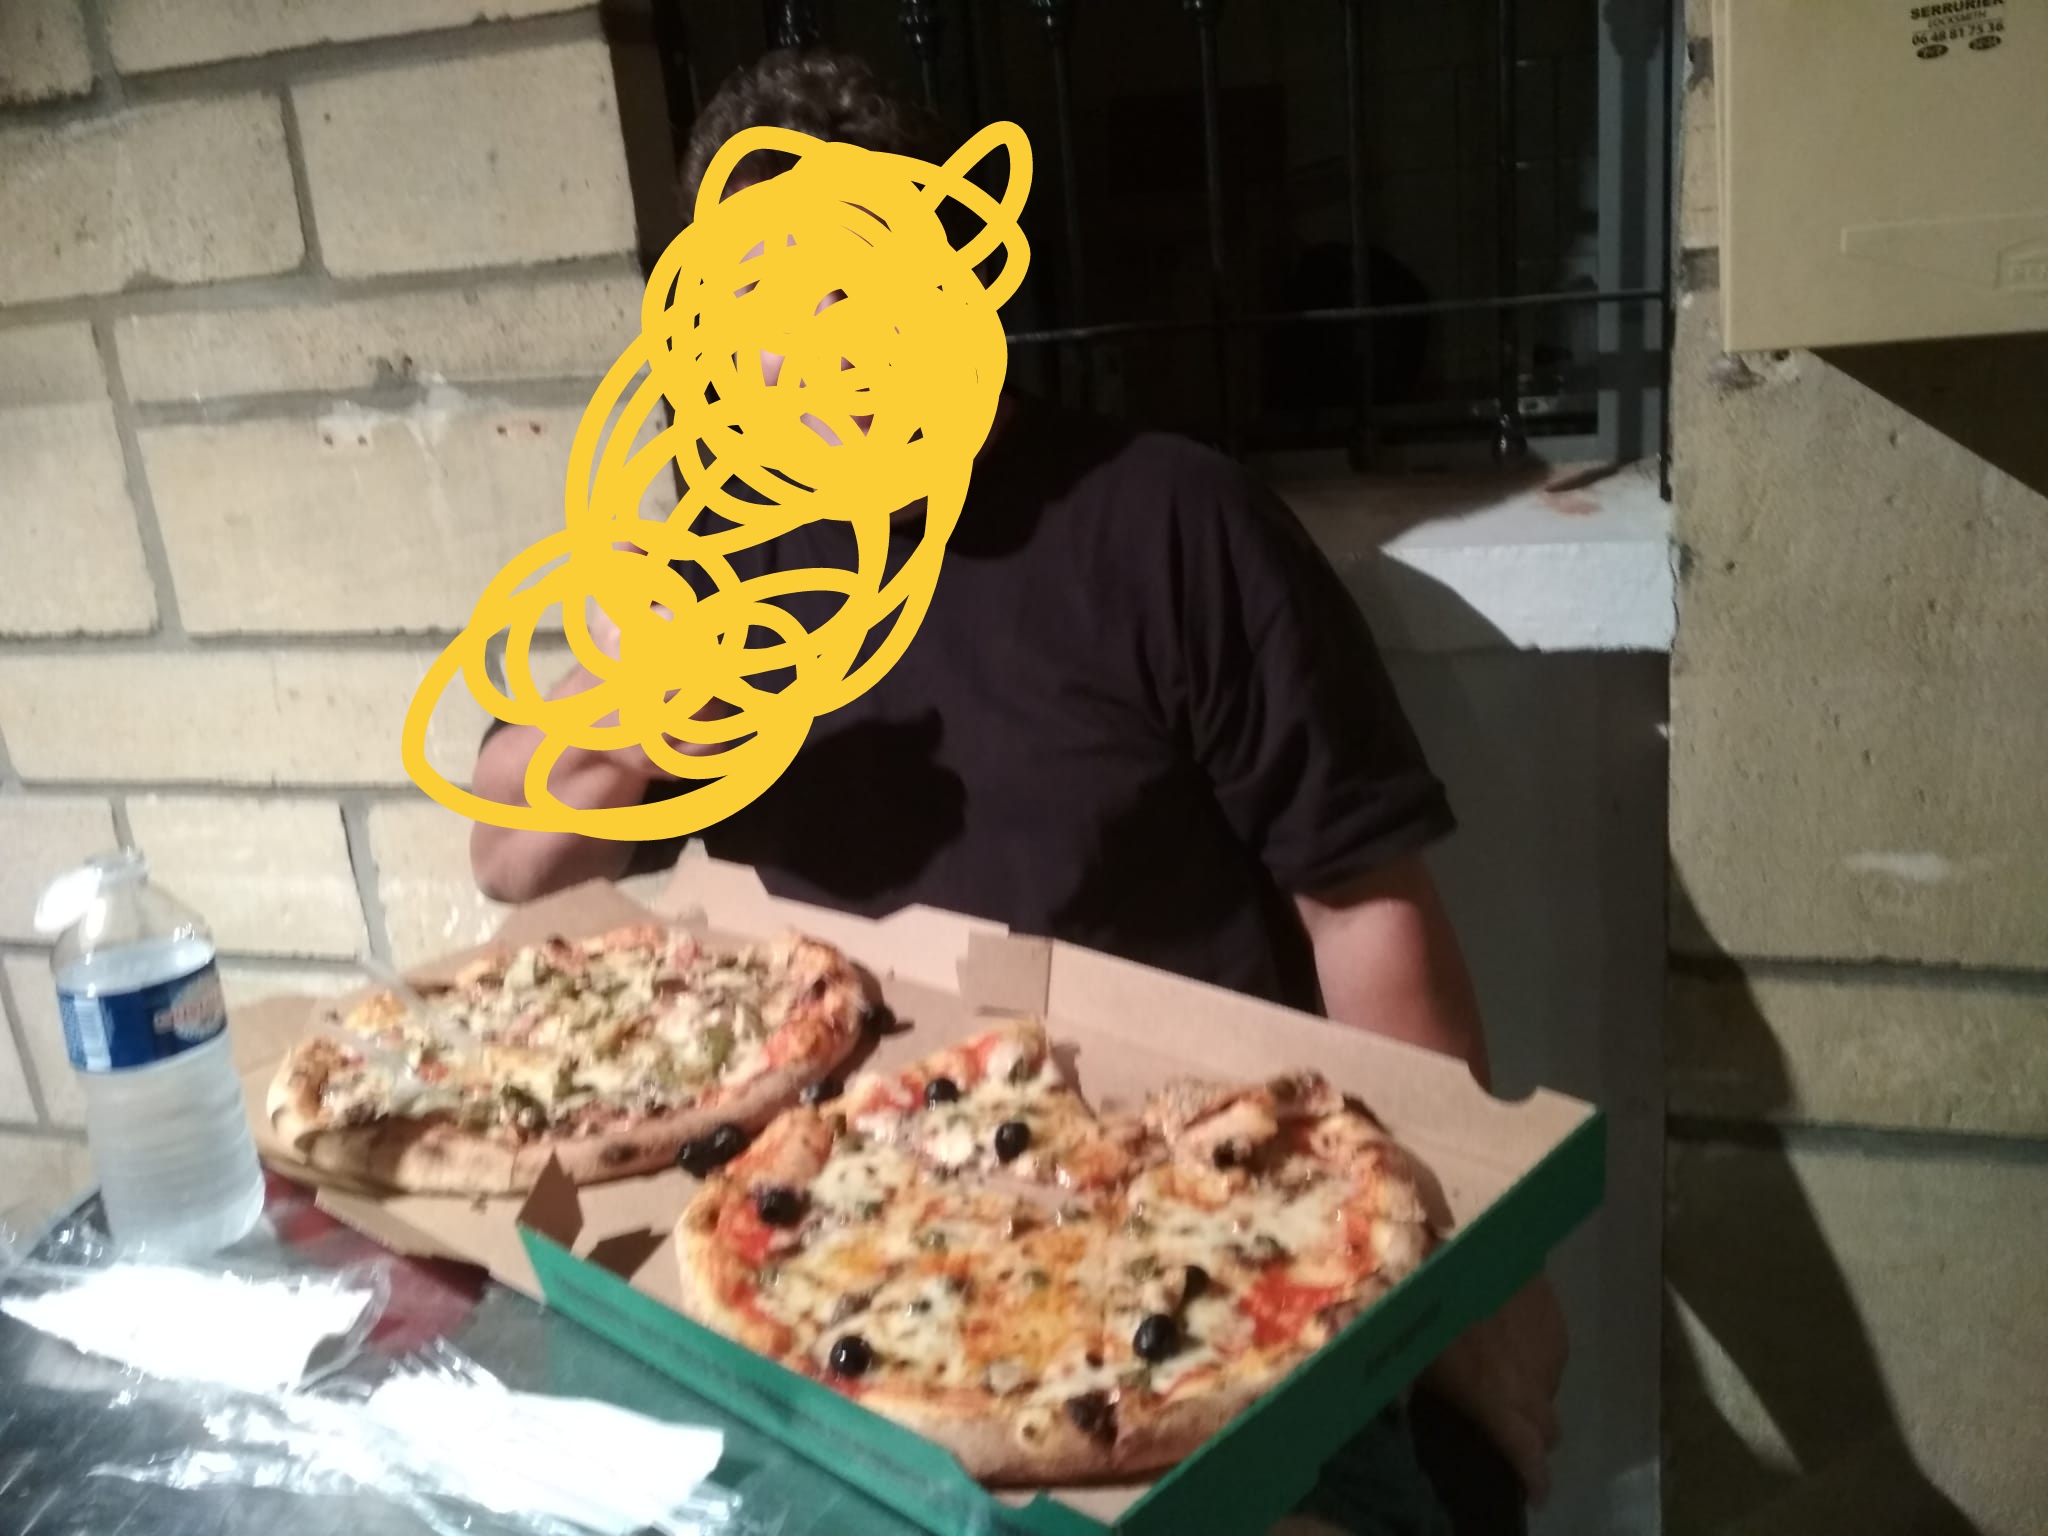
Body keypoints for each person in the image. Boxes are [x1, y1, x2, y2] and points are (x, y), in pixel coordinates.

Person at [470, 49, 1566, 1536]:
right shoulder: (720, 557)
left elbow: (1366, 911)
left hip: (1189, 1217)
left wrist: (1469, 1290)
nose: (811, 345)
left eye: (853, 284)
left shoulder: (1164, 520)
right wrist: (624, 742)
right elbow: (507, 856)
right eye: (762, 302)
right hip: (836, 1228)